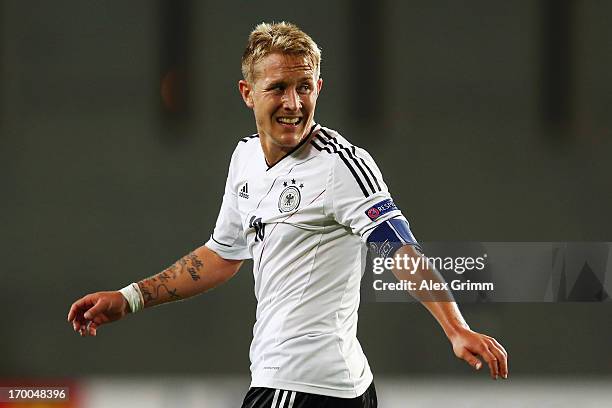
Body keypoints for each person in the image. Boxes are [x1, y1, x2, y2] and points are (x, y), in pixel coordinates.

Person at [67, 22, 508, 408]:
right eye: (278, 88)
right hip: (320, 386)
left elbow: (399, 250)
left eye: (304, 87)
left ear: (319, 87)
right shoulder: (243, 160)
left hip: (303, 384)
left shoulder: (340, 165)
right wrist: (130, 297)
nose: (293, 103)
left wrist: (456, 328)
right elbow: (221, 257)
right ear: (247, 93)